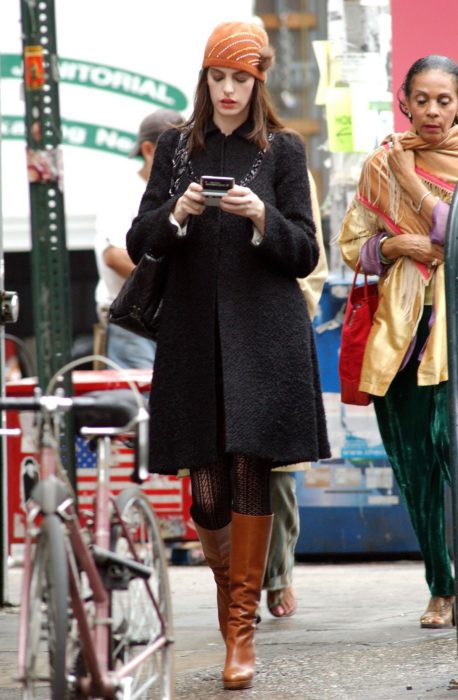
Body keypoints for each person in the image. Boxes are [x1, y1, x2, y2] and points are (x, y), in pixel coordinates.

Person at [126, 20, 330, 690]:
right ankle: (230, 602)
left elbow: (304, 249)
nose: (228, 90)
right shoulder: (180, 151)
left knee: (250, 469)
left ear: (258, 81)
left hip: (263, 339)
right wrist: (179, 212)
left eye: (240, 79)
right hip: (192, 338)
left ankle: (240, 631)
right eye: (219, 77)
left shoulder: (282, 153)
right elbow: (141, 238)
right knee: (207, 494)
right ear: (205, 78)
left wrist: (261, 219)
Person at [338, 55, 458, 629]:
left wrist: (413, 182)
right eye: (423, 100)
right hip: (403, 337)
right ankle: (440, 584)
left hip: (454, 339)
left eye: (446, 100)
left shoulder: (416, 166)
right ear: (404, 101)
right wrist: (395, 248)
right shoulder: (378, 165)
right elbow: (351, 245)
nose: (433, 111)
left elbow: (451, 234)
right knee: (415, 468)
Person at [263, 170, 328, 619]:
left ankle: (277, 573)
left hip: (274, 326)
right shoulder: (193, 157)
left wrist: (287, 313)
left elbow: (313, 259)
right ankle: (236, 583)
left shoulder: (288, 162)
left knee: (277, 469)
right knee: (218, 470)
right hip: (216, 330)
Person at [94, 108, 182, 368]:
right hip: (134, 319)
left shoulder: (180, 190)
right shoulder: (124, 191)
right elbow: (114, 256)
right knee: (142, 403)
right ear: (148, 149)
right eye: (174, 150)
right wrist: (170, 284)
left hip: (167, 318)